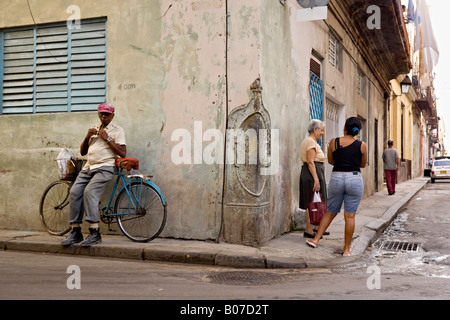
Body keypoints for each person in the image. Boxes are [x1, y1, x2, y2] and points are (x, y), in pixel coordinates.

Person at [61, 103, 127, 247]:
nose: (103, 116)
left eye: (107, 114)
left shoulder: (117, 130)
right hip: (88, 167)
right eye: (101, 114)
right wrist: (87, 136)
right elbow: (83, 152)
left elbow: (122, 153)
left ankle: (94, 232)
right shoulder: (94, 128)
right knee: (74, 192)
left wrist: (107, 138)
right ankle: (76, 232)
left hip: (105, 167)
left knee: (89, 192)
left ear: (112, 116)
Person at [306, 117, 367, 256]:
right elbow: (362, 164)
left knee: (331, 211)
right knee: (350, 216)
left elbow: (331, 161)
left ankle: (315, 240)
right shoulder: (362, 145)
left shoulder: (334, 141)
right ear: (357, 131)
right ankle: (346, 250)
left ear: (345, 128)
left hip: (337, 177)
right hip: (354, 178)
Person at [299, 119, 327, 238]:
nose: (322, 133)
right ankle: (309, 230)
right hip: (312, 174)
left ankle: (316, 227)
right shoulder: (310, 142)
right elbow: (310, 162)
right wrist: (316, 179)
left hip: (314, 172)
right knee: (311, 202)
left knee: (316, 201)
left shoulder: (311, 141)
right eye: (321, 130)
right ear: (315, 130)